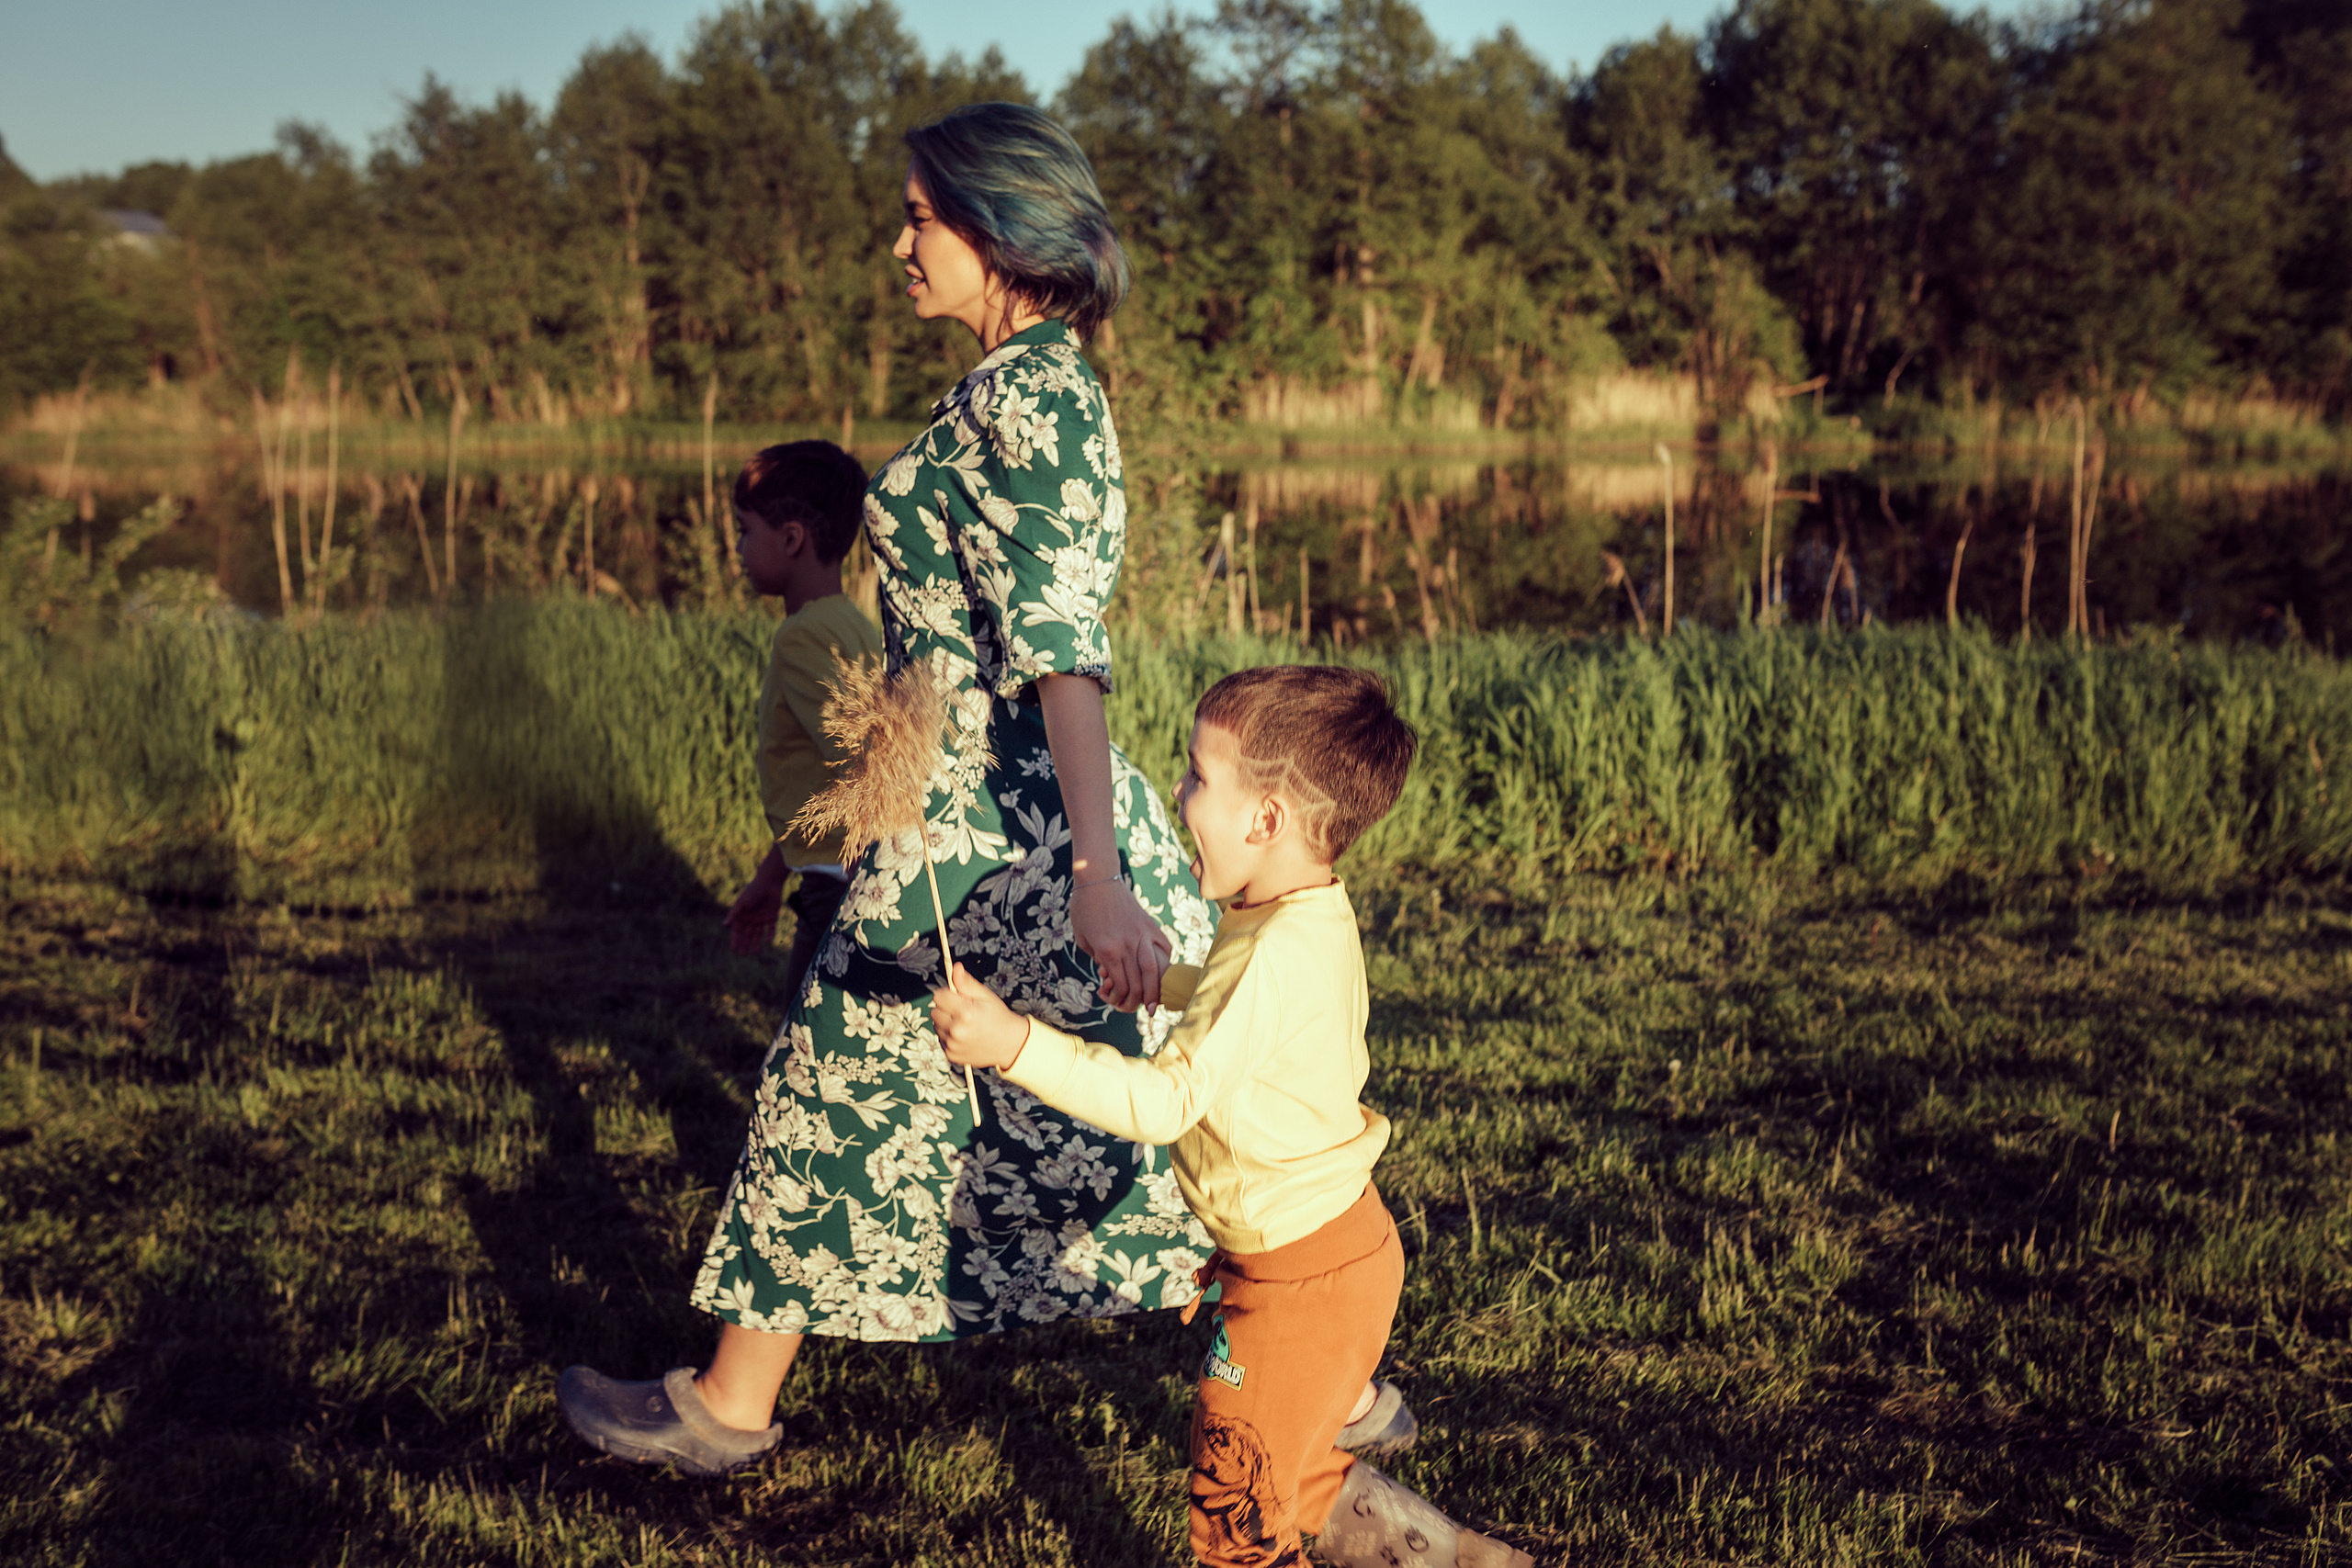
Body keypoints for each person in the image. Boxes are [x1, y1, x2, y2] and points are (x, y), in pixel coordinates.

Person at [560, 103, 1416, 1480]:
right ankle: (1339, 1366)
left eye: (918, 216)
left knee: (864, 1084)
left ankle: (727, 1406)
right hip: (969, 817)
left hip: (1000, 836)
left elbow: (1063, 652)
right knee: (1026, 1096)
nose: (899, 241)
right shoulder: (1009, 385)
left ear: (997, 226)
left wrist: (1092, 868)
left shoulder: (1037, 399)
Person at [933, 666, 1529, 1568]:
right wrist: (1167, 986)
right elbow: (1253, 1010)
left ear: (1266, 820)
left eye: (1196, 776)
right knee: (1289, 1471)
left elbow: (1163, 1100)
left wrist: (1015, 1044)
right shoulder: (1305, 910)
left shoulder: (1269, 949)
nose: (1175, 795)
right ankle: (1455, 1559)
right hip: (1333, 1255)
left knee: (1234, 1511)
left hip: (1302, 1285)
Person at [720, 441, 885, 1004]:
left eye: (745, 531)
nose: (739, 548)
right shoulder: (853, 625)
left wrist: (872, 889)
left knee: (805, 1062)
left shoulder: (801, 638)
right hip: (846, 882)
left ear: (791, 539)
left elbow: (869, 761)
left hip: (840, 895)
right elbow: (828, 781)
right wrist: (772, 876)